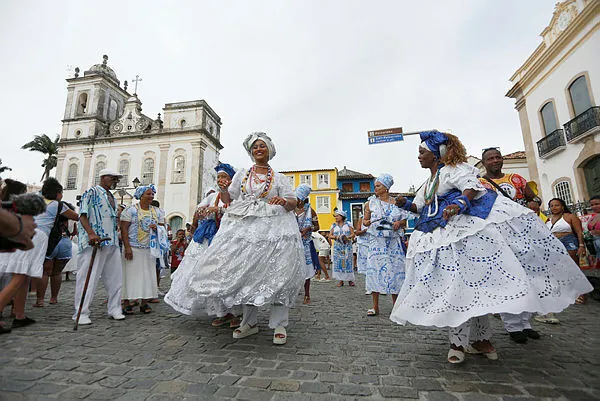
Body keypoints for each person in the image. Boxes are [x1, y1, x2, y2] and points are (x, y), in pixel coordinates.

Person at [390, 131, 592, 364]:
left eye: (422, 152)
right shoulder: (428, 183)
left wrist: (459, 203)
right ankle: (469, 341)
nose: (419, 157)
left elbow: (471, 187)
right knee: (460, 287)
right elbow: (420, 207)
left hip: (464, 236)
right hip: (441, 241)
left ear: (436, 155)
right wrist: (404, 203)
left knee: (471, 286)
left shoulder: (452, 170)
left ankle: (472, 341)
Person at [165, 133, 305, 345]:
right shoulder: (242, 174)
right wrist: (222, 189)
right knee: (247, 274)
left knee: (278, 274)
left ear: (269, 150)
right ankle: (249, 322)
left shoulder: (280, 178)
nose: (259, 149)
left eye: (262, 146)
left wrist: (283, 200)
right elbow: (228, 199)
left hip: (275, 229)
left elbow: (293, 203)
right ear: (251, 151)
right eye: (255, 147)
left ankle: (279, 324)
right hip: (245, 227)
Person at [479, 148, 541, 343]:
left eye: (498, 157)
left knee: (529, 277)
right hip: (499, 237)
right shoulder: (480, 184)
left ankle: (526, 322)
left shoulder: (517, 179)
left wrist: (535, 203)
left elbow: (534, 198)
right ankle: (512, 325)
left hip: (524, 234)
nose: (495, 161)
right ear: (484, 163)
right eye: (490, 158)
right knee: (508, 279)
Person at [73, 169, 126, 325]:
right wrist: (90, 233)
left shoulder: (112, 197)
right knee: (88, 278)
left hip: (112, 241)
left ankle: (115, 308)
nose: (115, 181)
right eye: (112, 178)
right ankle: (81, 311)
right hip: (94, 242)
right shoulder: (91, 192)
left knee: (115, 278)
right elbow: (82, 215)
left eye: (117, 179)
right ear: (103, 177)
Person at [362, 174, 409, 316]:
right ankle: (375, 307)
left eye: (378, 185)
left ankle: (396, 305)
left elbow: (404, 222)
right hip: (377, 243)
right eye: (375, 186)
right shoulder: (370, 203)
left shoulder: (397, 203)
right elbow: (364, 220)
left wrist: (398, 223)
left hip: (393, 243)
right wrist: (367, 222)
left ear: (386, 187)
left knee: (395, 271)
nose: (375, 188)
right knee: (375, 272)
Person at [120, 184, 164, 315]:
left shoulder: (157, 211)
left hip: (148, 249)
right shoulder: (130, 211)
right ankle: (127, 302)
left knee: (147, 276)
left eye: (152, 194)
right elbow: (123, 229)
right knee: (129, 275)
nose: (151, 196)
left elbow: (162, 227)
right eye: (148, 194)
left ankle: (144, 303)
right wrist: (127, 247)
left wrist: (157, 228)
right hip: (133, 248)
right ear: (141, 196)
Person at [34, 200, 79, 306]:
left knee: (45, 271)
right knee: (57, 272)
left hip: (52, 242)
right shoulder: (72, 219)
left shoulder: (52, 215)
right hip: (66, 243)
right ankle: (54, 298)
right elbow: (74, 232)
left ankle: (40, 300)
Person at [545, 198, 587, 304]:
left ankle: (580, 293)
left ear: (562, 206)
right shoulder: (548, 220)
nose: (554, 207)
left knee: (573, 267)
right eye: (552, 206)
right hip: (554, 244)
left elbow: (579, 232)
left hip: (568, 241)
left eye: (557, 205)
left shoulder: (570, 217)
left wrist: (581, 245)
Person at [294, 184, 319, 304]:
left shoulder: (311, 211)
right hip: (292, 244)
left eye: (297, 197)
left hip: (305, 244)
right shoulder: (290, 210)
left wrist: (309, 228)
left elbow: (317, 227)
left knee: (307, 270)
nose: (295, 199)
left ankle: (307, 294)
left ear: (303, 198)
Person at [329, 210, 355, 287]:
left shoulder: (348, 224)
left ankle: (350, 280)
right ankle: (340, 280)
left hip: (347, 246)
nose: (336, 217)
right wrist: (336, 237)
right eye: (336, 216)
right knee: (339, 263)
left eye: (338, 216)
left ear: (342, 216)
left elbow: (353, 233)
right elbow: (330, 235)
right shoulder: (333, 225)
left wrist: (347, 237)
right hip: (338, 247)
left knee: (348, 262)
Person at [586, 195, 600, 267]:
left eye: (597, 204)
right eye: (592, 205)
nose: (594, 206)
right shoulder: (593, 217)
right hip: (595, 244)